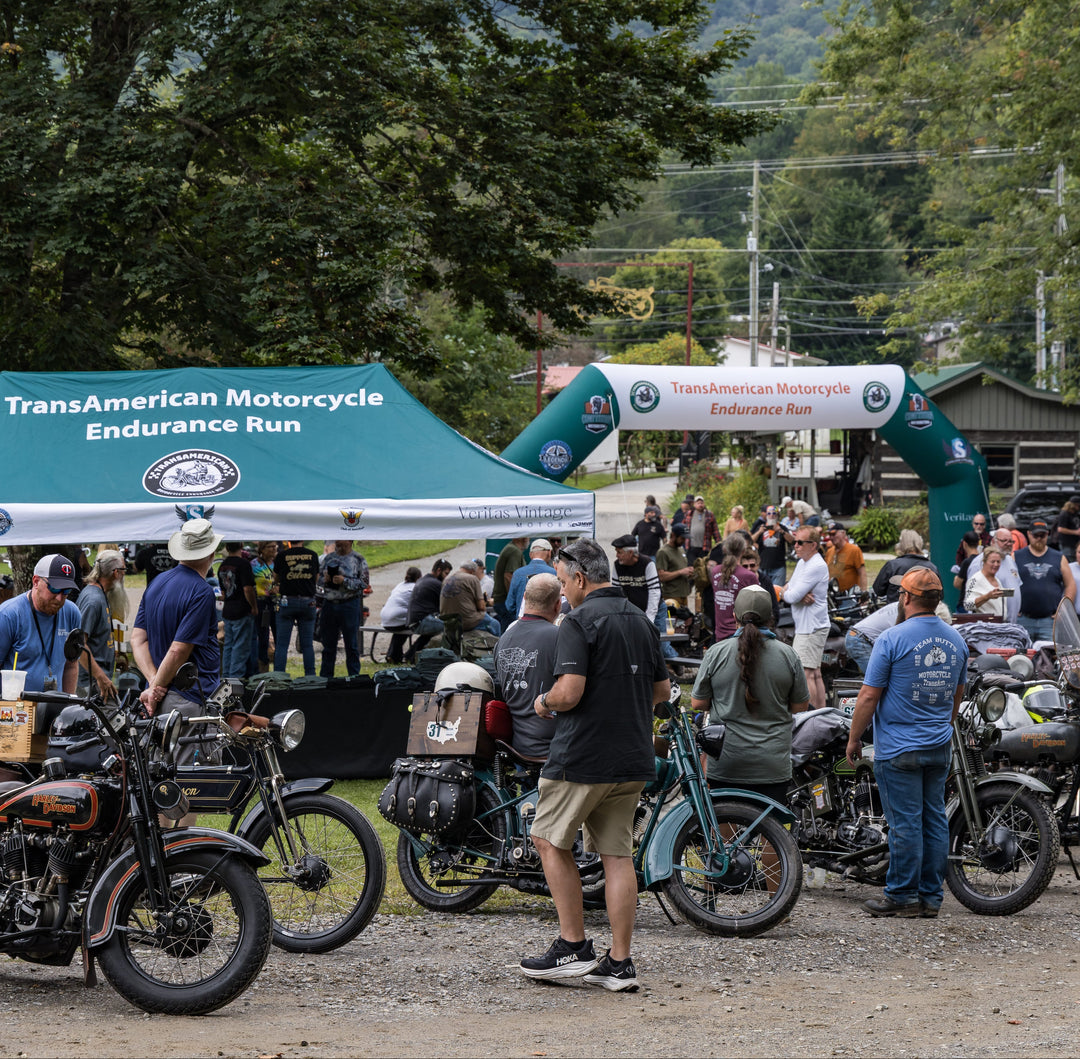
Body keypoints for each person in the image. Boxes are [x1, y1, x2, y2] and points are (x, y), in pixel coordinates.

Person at [519, 538, 669, 992]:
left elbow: (569, 692)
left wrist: (544, 702)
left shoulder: (579, 620)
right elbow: (661, 691)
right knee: (617, 857)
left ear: (581, 578)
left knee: (546, 839)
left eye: (564, 583)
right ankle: (620, 964)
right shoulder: (641, 620)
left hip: (582, 756)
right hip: (632, 757)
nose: (563, 593)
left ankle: (573, 945)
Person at [845, 568, 968, 918]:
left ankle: (901, 895)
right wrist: (942, 724)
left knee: (905, 824)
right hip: (938, 745)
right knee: (934, 821)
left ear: (907, 598)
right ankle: (931, 898)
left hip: (899, 748)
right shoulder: (956, 640)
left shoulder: (891, 638)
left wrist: (854, 739)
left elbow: (868, 696)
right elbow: (957, 696)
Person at [691, 585, 808, 801]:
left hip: (726, 762)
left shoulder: (716, 652)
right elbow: (800, 706)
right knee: (770, 832)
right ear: (771, 617)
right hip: (772, 765)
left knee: (725, 833)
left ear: (734, 616)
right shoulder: (788, 655)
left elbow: (697, 703)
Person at [130, 517, 222, 746]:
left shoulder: (157, 582)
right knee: (192, 776)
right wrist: (155, 688)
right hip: (188, 698)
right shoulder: (202, 592)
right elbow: (178, 650)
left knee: (162, 773)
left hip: (160, 696)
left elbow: (138, 639)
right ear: (211, 554)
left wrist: (153, 684)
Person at [492, 573, 561, 759]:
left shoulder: (503, 639)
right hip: (556, 750)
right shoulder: (560, 637)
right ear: (558, 605)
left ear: (524, 598)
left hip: (517, 748)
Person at [0, 554, 84, 694]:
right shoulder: (9, 615)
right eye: (54, 589)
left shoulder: (72, 613)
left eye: (66, 591)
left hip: (55, 708)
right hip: (17, 710)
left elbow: (71, 665)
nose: (59, 598)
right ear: (36, 581)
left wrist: (68, 708)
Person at [782, 526, 830, 710]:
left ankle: (813, 716)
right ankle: (820, 714)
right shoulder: (803, 563)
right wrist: (793, 593)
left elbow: (790, 595)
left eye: (800, 542)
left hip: (811, 628)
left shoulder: (816, 565)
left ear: (813, 545)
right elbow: (789, 587)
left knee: (807, 673)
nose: (796, 545)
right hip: (808, 626)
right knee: (814, 672)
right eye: (795, 542)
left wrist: (791, 594)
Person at [611, 534, 673, 661]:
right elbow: (617, 593)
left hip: (656, 609)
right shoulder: (617, 566)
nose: (617, 555)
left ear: (630, 553)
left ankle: (677, 666)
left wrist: (648, 619)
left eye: (619, 552)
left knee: (662, 645)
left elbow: (654, 592)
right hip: (634, 611)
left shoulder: (647, 564)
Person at [1014, 519, 1076, 643]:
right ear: (1028, 534)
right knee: (1022, 659)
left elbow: (1070, 585)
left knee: (1048, 658)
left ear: (1047, 534)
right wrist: (1012, 607)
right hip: (1023, 619)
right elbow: (1006, 583)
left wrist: (1063, 611)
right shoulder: (1016, 556)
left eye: (1042, 535)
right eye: (1035, 535)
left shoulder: (1059, 557)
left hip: (1050, 620)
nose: (1039, 538)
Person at [76, 549, 125, 694]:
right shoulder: (93, 600)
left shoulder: (101, 594)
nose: (124, 575)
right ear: (116, 573)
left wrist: (112, 658)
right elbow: (79, 644)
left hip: (98, 681)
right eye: (123, 570)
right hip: (90, 684)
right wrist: (100, 676)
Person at [317, 541, 369, 678]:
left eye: (343, 541)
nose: (339, 543)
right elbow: (318, 579)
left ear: (350, 541)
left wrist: (344, 581)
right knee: (328, 645)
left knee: (351, 645)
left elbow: (364, 583)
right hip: (329, 603)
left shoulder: (358, 559)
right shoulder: (329, 558)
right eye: (337, 540)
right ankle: (326, 678)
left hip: (349, 604)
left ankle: (353, 677)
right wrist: (326, 579)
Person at [273, 540, 320, 675]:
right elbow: (315, 578)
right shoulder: (313, 555)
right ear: (303, 540)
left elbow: (276, 578)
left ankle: (279, 675)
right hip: (308, 602)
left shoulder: (282, 556)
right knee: (307, 645)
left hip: (287, 601)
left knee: (282, 644)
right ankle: (310, 676)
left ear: (289, 541)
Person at [218, 541, 257, 679]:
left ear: (227, 548)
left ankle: (226, 677)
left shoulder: (222, 566)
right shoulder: (243, 564)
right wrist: (253, 606)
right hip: (242, 610)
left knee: (228, 645)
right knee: (240, 647)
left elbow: (222, 593)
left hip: (228, 609)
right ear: (241, 546)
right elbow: (248, 589)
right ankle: (235, 680)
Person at [965, 528, 1022, 623]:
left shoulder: (1010, 560)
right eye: (1004, 540)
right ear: (993, 541)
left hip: (1010, 624)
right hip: (988, 626)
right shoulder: (978, 564)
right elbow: (969, 602)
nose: (1008, 544)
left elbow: (1016, 586)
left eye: (1011, 541)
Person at [710, 533, 757, 641]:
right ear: (743, 551)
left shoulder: (715, 571)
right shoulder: (749, 576)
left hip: (719, 633)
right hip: (741, 635)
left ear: (725, 549)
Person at [404, 559, 453, 661]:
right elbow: (449, 603)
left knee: (432, 631)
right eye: (446, 574)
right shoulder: (436, 584)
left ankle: (411, 656)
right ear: (439, 570)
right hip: (421, 621)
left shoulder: (424, 579)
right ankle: (448, 658)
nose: (447, 577)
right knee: (452, 628)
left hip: (414, 621)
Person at [873, 529, 938, 604]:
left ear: (901, 544)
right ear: (920, 543)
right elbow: (940, 594)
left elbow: (878, 590)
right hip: (924, 612)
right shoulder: (931, 567)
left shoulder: (892, 566)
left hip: (896, 612)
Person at [440, 563, 501, 638]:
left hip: (449, 622)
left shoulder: (447, 578)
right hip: (467, 622)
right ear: (472, 571)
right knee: (495, 624)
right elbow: (481, 607)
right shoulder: (472, 578)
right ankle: (496, 648)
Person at [379, 566, 422, 665]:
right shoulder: (415, 588)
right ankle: (409, 655)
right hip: (396, 619)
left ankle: (393, 655)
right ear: (419, 578)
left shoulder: (400, 585)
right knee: (414, 625)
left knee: (401, 628)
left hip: (385, 618)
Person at [505, 539, 555, 619]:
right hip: (547, 623)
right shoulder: (554, 573)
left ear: (530, 555)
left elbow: (509, 605)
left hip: (522, 623)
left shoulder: (517, 573)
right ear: (549, 553)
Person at [248, 541, 278, 675]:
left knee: (280, 637)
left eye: (275, 546)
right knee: (263, 638)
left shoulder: (278, 563)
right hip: (261, 604)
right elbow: (249, 585)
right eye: (270, 547)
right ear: (262, 549)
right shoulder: (254, 564)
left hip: (276, 603)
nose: (274, 549)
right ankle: (262, 670)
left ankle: (279, 669)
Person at [493, 536, 529, 630]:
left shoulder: (511, 549)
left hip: (501, 600)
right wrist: (513, 600)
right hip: (505, 601)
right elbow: (509, 576)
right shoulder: (514, 551)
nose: (528, 538)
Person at [750, 504, 791, 587]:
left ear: (778, 515)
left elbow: (792, 541)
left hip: (778, 567)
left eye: (774, 513)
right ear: (766, 515)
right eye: (769, 513)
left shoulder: (782, 527)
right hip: (763, 566)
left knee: (777, 593)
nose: (771, 515)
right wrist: (759, 532)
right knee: (763, 593)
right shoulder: (761, 527)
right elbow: (750, 541)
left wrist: (781, 531)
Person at [655, 525, 693, 610]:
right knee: (673, 622)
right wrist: (680, 572)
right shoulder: (663, 552)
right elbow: (661, 576)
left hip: (683, 594)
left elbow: (681, 569)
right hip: (671, 596)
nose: (684, 541)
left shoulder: (681, 550)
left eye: (685, 539)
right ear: (673, 536)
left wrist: (689, 572)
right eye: (682, 538)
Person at [824, 522, 866, 593]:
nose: (831, 537)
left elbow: (862, 573)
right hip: (833, 595)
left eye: (834, 534)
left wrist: (863, 593)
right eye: (830, 535)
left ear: (843, 533)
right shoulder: (829, 551)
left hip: (850, 595)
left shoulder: (854, 550)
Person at [964, 547, 1007, 617]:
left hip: (1000, 625)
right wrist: (987, 596)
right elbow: (967, 605)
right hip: (985, 625)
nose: (996, 565)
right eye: (992, 561)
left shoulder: (997, 580)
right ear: (984, 561)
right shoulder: (975, 579)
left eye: (998, 562)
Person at [741, 547, 779, 624]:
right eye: (745, 566)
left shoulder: (765, 581)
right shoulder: (739, 581)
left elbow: (774, 607)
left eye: (752, 565)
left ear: (757, 565)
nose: (749, 569)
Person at [950, 530, 983, 610]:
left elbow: (957, 584)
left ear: (964, 544)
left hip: (965, 604)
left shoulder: (967, 562)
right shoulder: (982, 560)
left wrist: (956, 578)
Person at [684, 495, 719, 567]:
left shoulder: (709, 514)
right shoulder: (689, 514)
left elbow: (715, 531)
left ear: (704, 504)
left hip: (704, 548)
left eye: (701, 503)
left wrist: (719, 544)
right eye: (698, 503)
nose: (700, 505)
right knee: (691, 568)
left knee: (702, 568)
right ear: (694, 504)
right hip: (691, 547)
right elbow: (683, 527)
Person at [1052, 495, 1080, 562]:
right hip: (1067, 544)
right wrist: (1076, 532)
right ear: (1074, 505)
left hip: (1075, 543)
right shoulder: (1064, 514)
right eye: (1078, 505)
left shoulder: (1075, 514)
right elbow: (1060, 529)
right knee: (1069, 561)